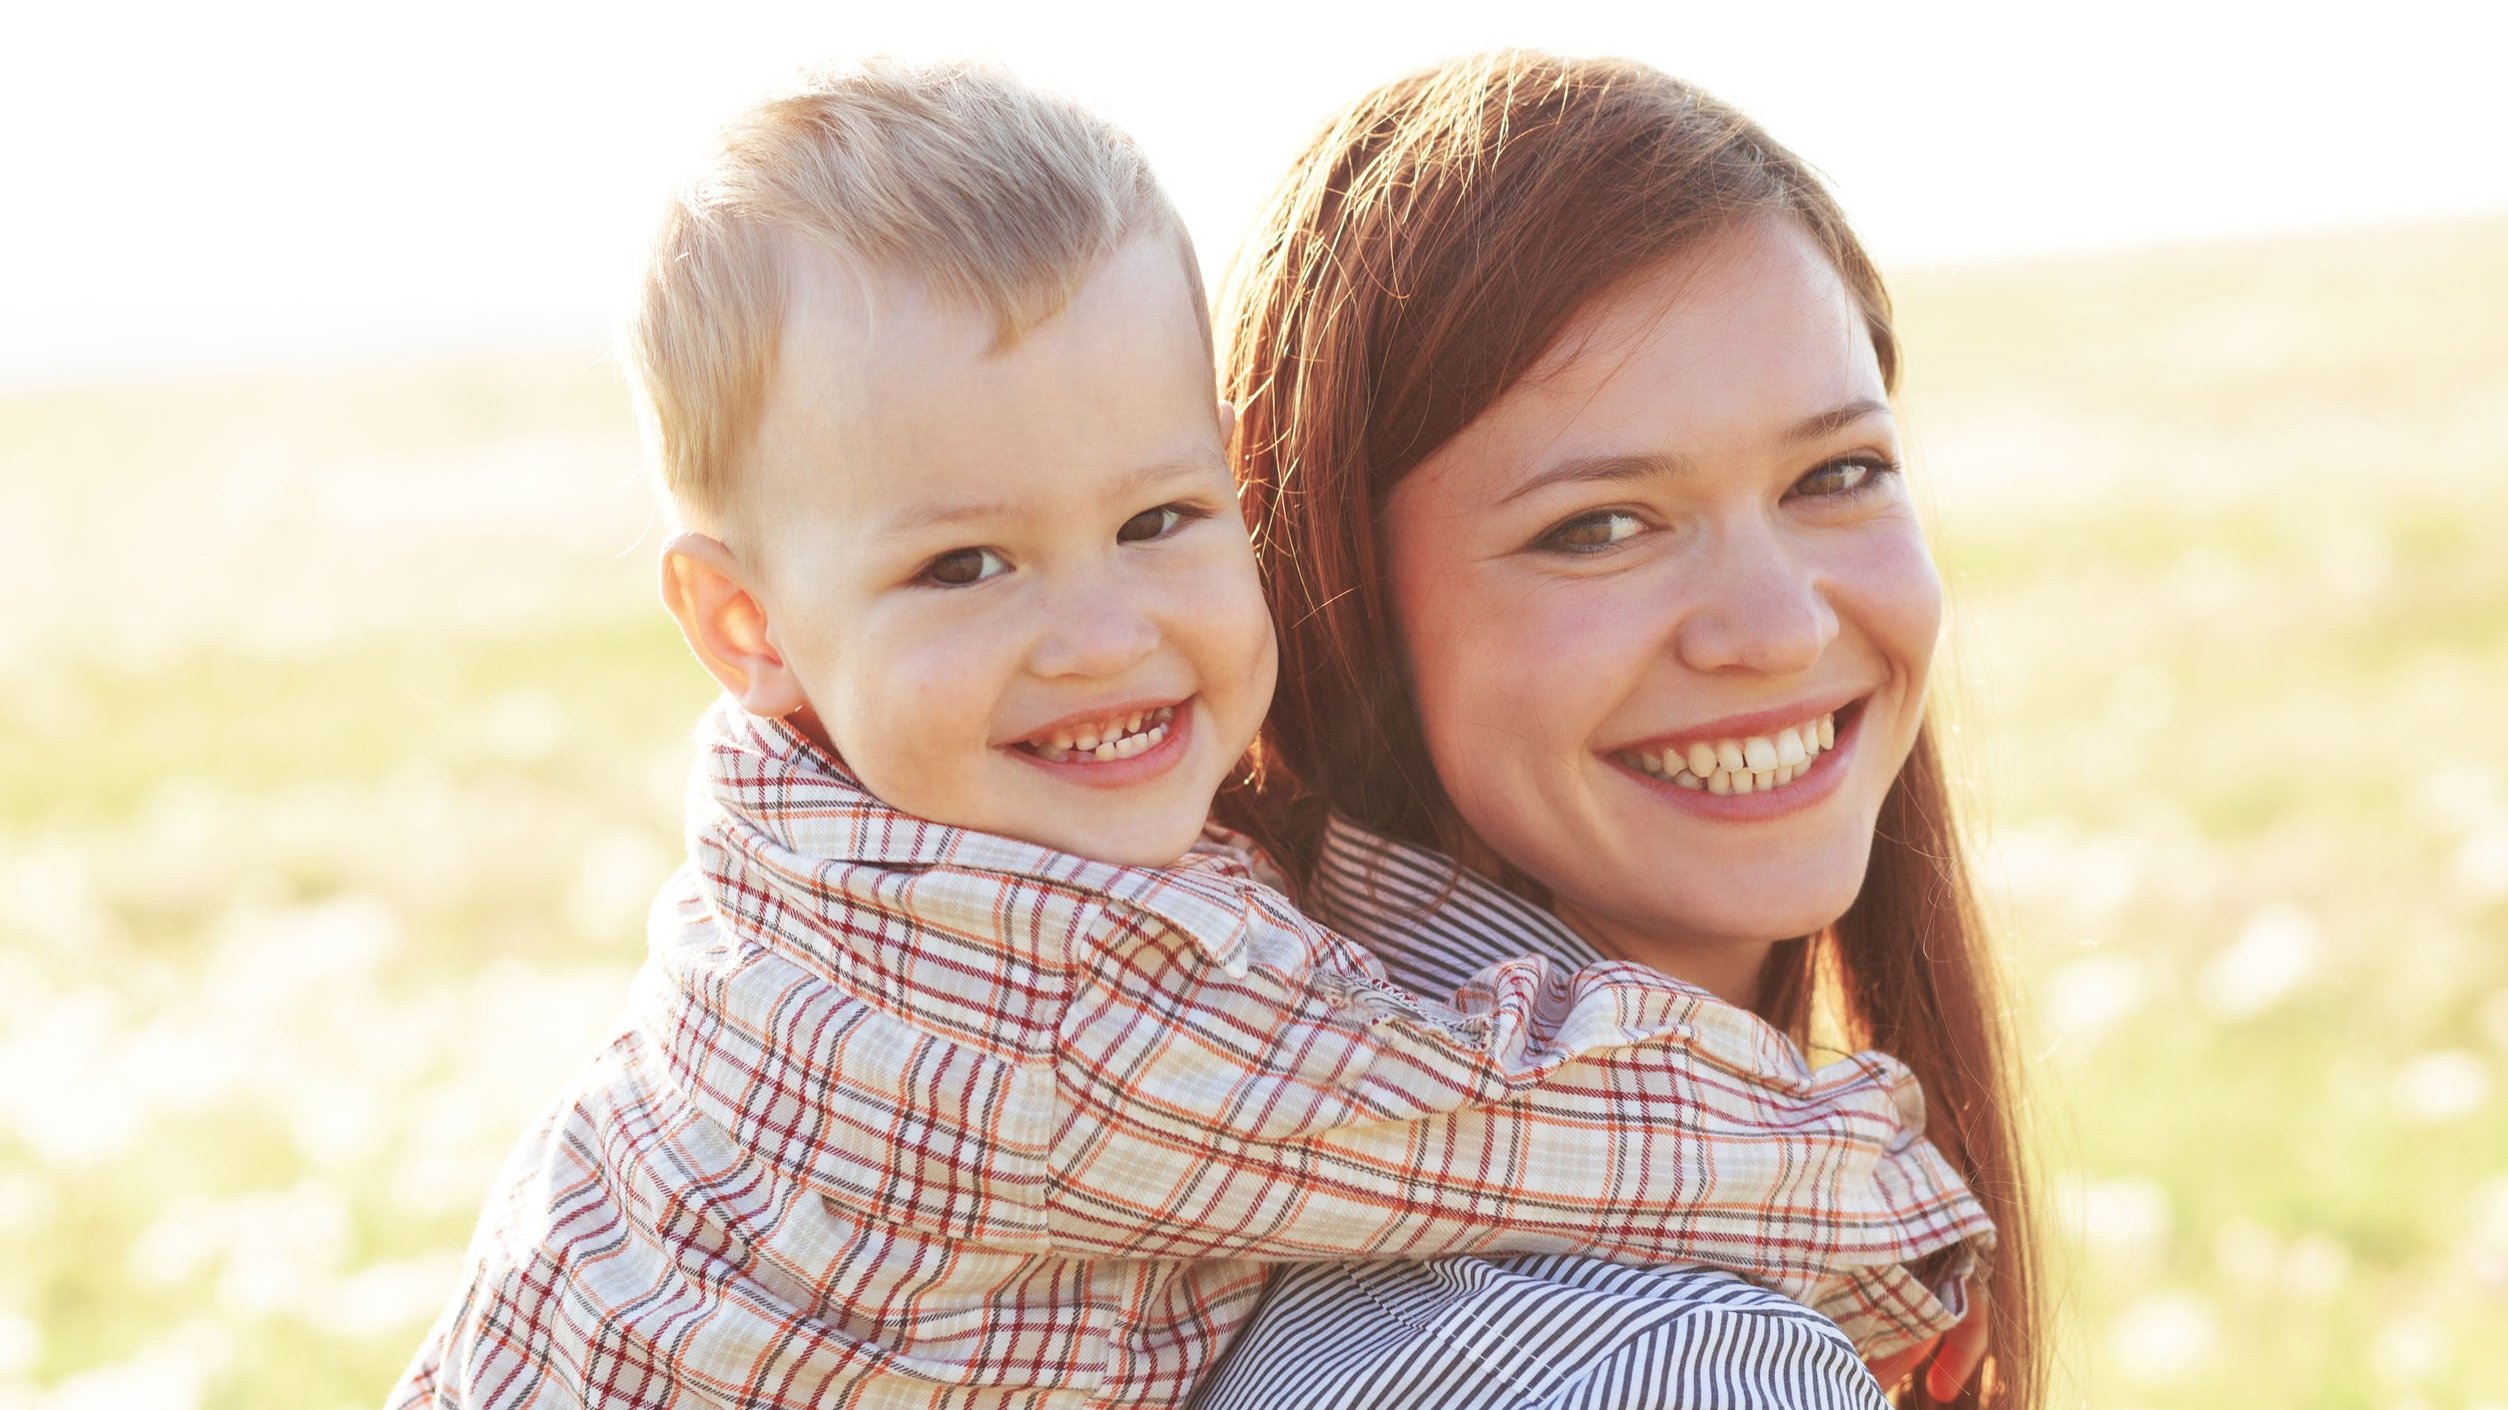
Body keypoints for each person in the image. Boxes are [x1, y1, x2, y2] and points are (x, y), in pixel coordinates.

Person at [386, 59, 1989, 1410]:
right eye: (1598, 525)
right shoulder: (1055, 995)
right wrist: (1876, 1195)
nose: (1103, 636)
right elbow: (1476, 1118)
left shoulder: (840, 863)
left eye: (1840, 471)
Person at [1195, 52, 2046, 1410]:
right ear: (1331, 601)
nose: (1773, 626)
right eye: (1597, 526)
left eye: (1837, 474)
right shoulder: (1671, 1362)